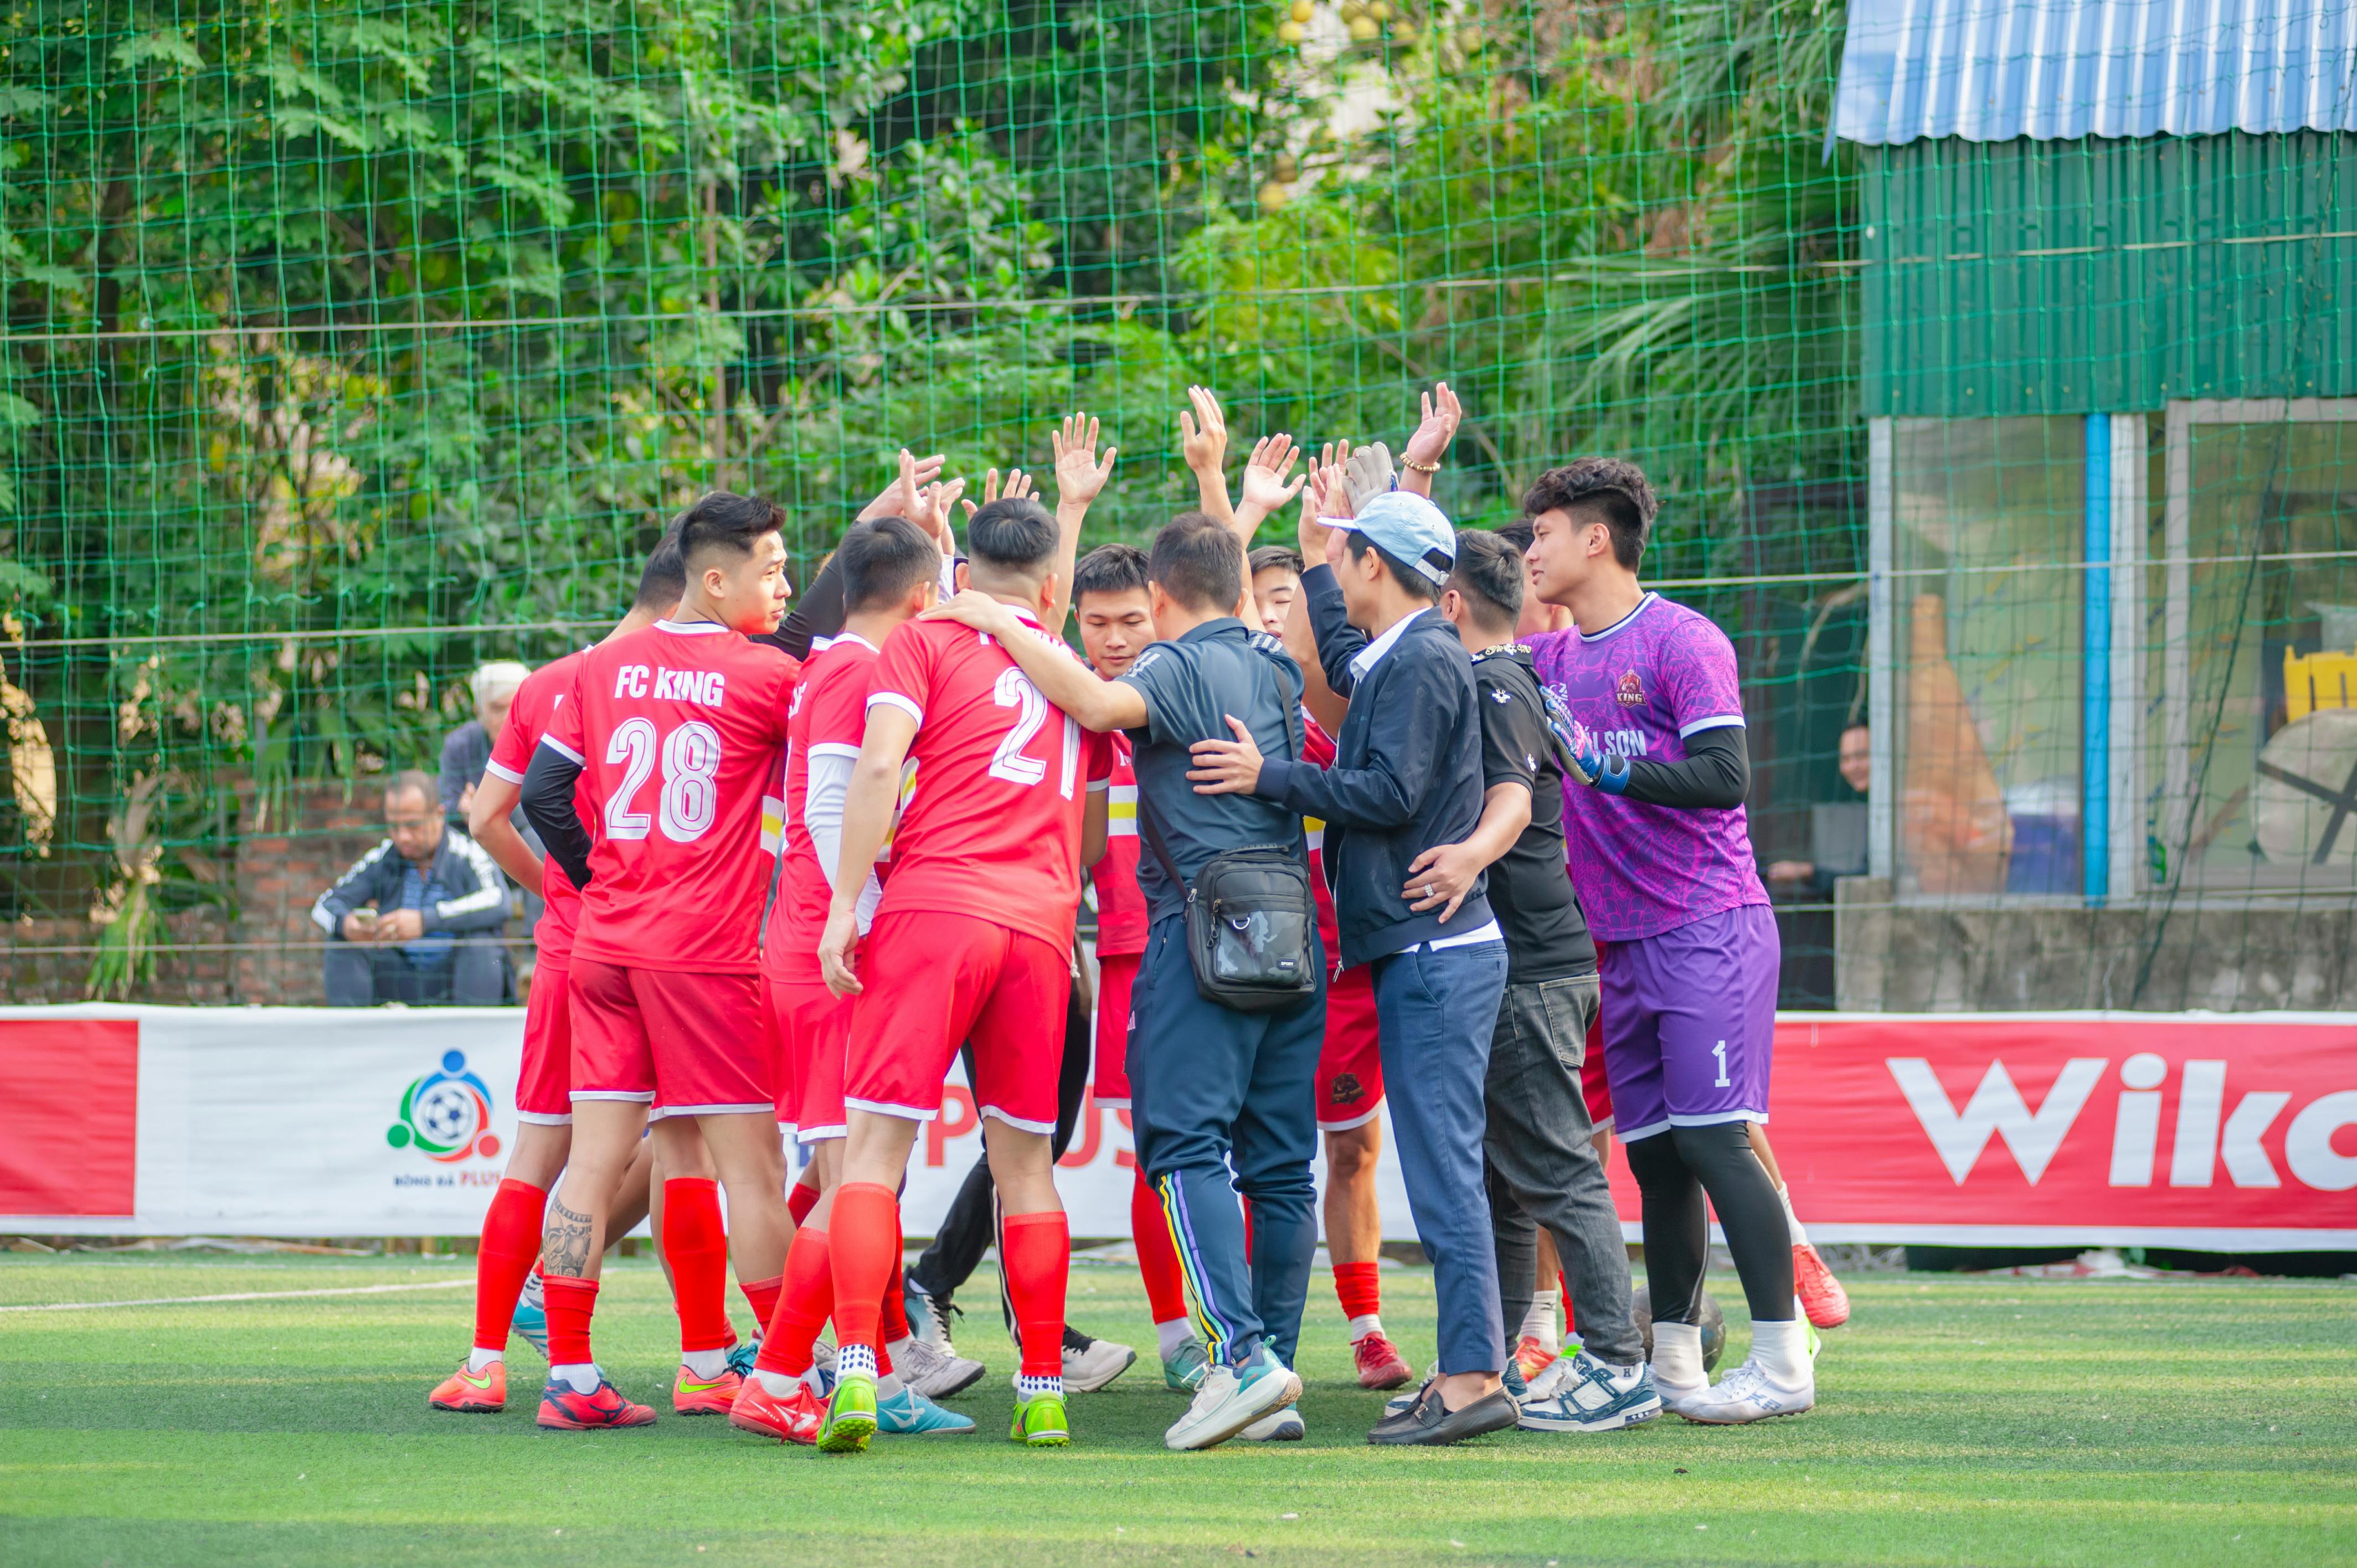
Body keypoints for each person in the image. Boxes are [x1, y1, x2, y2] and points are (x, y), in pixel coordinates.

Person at [928, 510, 1320, 1451]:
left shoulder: (1172, 664)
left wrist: (991, 617)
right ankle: (1270, 1370)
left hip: (1202, 939)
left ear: (1158, 597)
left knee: (1183, 1145)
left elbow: (1096, 707)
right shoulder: (1274, 666)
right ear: (1238, 589)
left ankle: (1241, 1358)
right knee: (1278, 1168)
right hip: (1290, 936)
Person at [799, 416, 1115, 1453]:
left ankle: (853, 1371)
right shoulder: (1071, 668)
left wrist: (845, 902)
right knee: (1027, 1167)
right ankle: (1041, 1389)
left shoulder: (922, 641)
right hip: (1040, 929)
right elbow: (1086, 828)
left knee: (875, 1156)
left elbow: (880, 770)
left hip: (937, 909)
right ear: (1047, 584)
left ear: (962, 568)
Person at [1192, 479, 1515, 1448]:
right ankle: (1469, 1366)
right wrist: (1313, 539)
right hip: (1424, 948)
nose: (1327, 565)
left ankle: (1469, 1380)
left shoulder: (1418, 663)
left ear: (1375, 562)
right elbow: (1340, 655)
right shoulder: (1404, 652)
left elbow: (1386, 789)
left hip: (1434, 954)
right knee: (1439, 1165)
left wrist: (1269, 778)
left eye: (1340, 553)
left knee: (1445, 1170)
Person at [1522, 457, 1814, 1424]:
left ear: (1593, 538)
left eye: (1543, 534)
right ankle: (1677, 1366)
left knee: (1713, 1137)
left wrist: (1611, 765)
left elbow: (1725, 772)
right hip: (1620, 943)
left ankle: (1782, 1363)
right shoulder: (1553, 660)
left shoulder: (1684, 639)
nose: (1531, 552)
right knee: (1654, 1159)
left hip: (1707, 926)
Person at [518, 491, 803, 1431]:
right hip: (702, 955)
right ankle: (781, 1377)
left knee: (593, 1162)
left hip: (603, 944)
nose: (785, 584)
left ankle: (570, 1378)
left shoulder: (599, 665)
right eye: (770, 568)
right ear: (714, 579)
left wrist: (603, 876)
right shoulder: (765, 676)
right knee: (752, 1169)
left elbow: (546, 790)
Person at [426, 538, 692, 1415]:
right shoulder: (695, 679)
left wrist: (564, 891)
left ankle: (483, 1363)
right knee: (695, 1141)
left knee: (541, 1150)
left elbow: (487, 815)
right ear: (697, 587)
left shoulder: (550, 682)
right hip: (664, 946)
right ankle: (711, 1361)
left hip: (572, 947)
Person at [732, 513, 978, 1443]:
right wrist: (870, 922)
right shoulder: (858, 672)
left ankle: (856, 1368)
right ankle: (795, 1373)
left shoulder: (832, 662)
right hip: (833, 954)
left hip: (806, 944)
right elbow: (841, 806)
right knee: (857, 1181)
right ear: (921, 600)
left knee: (854, 1176)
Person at [1413, 529, 1658, 1433]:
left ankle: (1618, 1364)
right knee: (1502, 1177)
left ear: (1446, 607)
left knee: (1554, 1164)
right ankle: (1491, 1366)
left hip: (1530, 961)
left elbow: (1512, 799)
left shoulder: (1499, 682)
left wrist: (1467, 856)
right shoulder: (1494, 677)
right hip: (1516, 957)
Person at [1060, 541, 1209, 1394]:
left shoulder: (1191, 681)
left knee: (1240, 1156)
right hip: (1124, 957)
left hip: (1220, 951)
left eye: (1131, 620)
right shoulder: (1070, 703)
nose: (1115, 639)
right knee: (1155, 1157)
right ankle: (1173, 1335)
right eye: (1096, 622)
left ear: (1161, 610)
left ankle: (1248, 1329)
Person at [313, 771, 509, 1006]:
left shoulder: (467, 853)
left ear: (439, 815)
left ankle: (475, 1038)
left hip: (457, 977)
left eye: (413, 825)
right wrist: (348, 925)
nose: (403, 837)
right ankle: (354, 1038)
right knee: (340, 942)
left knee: (482, 943)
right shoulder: (383, 857)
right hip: (400, 977)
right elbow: (325, 904)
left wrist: (424, 921)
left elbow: (498, 900)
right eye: (394, 827)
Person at [440, 662, 531, 819]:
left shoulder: (548, 741)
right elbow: (446, 803)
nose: (508, 718)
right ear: (478, 712)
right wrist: (462, 808)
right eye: (498, 709)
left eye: (517, 706)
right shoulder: (459, 745)